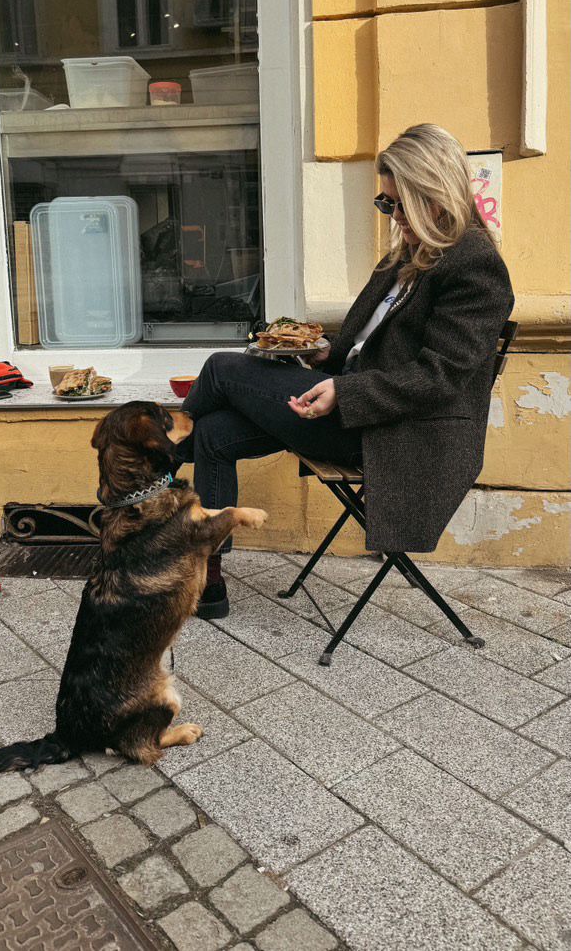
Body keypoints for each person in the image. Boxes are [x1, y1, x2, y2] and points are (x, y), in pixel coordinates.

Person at [178, 124, 514, 619]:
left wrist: (344, 390)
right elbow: (368, 345)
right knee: (213, 433)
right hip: (358, 410)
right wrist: (323, 356)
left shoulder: (475, 266)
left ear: (435, 198)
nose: (393, 216)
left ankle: (156, 466)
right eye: (387, 204)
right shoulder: (409, 256)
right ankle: (208, 576)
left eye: (399, 204)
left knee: (222, 369)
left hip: (396, 434)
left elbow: (440, 376)